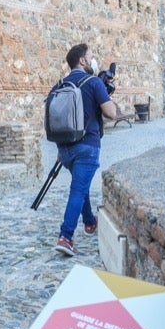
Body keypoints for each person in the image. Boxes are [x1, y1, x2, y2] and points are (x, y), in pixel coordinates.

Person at [51, 43, 116, 257]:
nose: (94, 59)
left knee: (82, 185)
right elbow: (111, 113)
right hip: (87, 147)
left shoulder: (59, 84)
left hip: (66, 150)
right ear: (83, 61)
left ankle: (89, 222)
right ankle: (65, 237)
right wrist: (107, 94)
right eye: (91, 56)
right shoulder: (94, 82)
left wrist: (61, 149)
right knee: (78, 190)